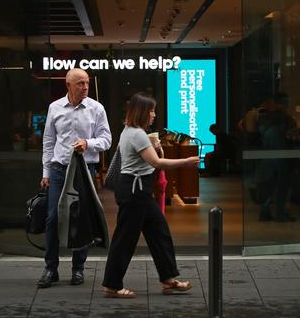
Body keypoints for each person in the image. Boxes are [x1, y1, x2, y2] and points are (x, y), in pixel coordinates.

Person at [102, 92, 198, 298]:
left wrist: (157, 147)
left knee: (159, 232)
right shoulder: (136, 134)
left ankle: (169, 278)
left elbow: (154, 158)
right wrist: (187, 162)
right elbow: (157, 163)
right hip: (135, 191)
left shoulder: (131, 132)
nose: (154, 115)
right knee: (125, 239)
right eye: (152, 111)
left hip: (138, 190)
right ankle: (112, 285)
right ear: (142, 112)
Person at [38, 68, 112, 288]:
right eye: (80, 83)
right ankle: (51, 268)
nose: (85, 87)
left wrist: (88, 143)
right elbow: (48, 142)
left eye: (87, 83)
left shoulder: (96, 108)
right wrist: (45, 172)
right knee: (52, 219)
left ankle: (78, 269)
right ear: (68, 85)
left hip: (84, 170)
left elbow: (107, 140)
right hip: (59, 170)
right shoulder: (55, 107)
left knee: (81, 219)